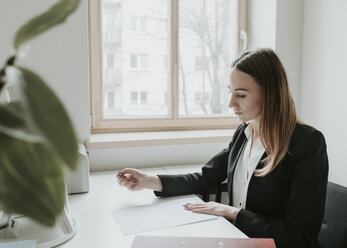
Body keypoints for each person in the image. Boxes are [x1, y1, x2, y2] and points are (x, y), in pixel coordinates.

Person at [116, 48, 328, 248]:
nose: (230, 103)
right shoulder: (243, 134)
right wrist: (149, 181)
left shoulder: (307, 143)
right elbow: (204, 178)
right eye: (230, 92)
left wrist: (232, 213)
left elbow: (300, 238)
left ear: (270, 94)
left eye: (241, 95)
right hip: (239, 240)